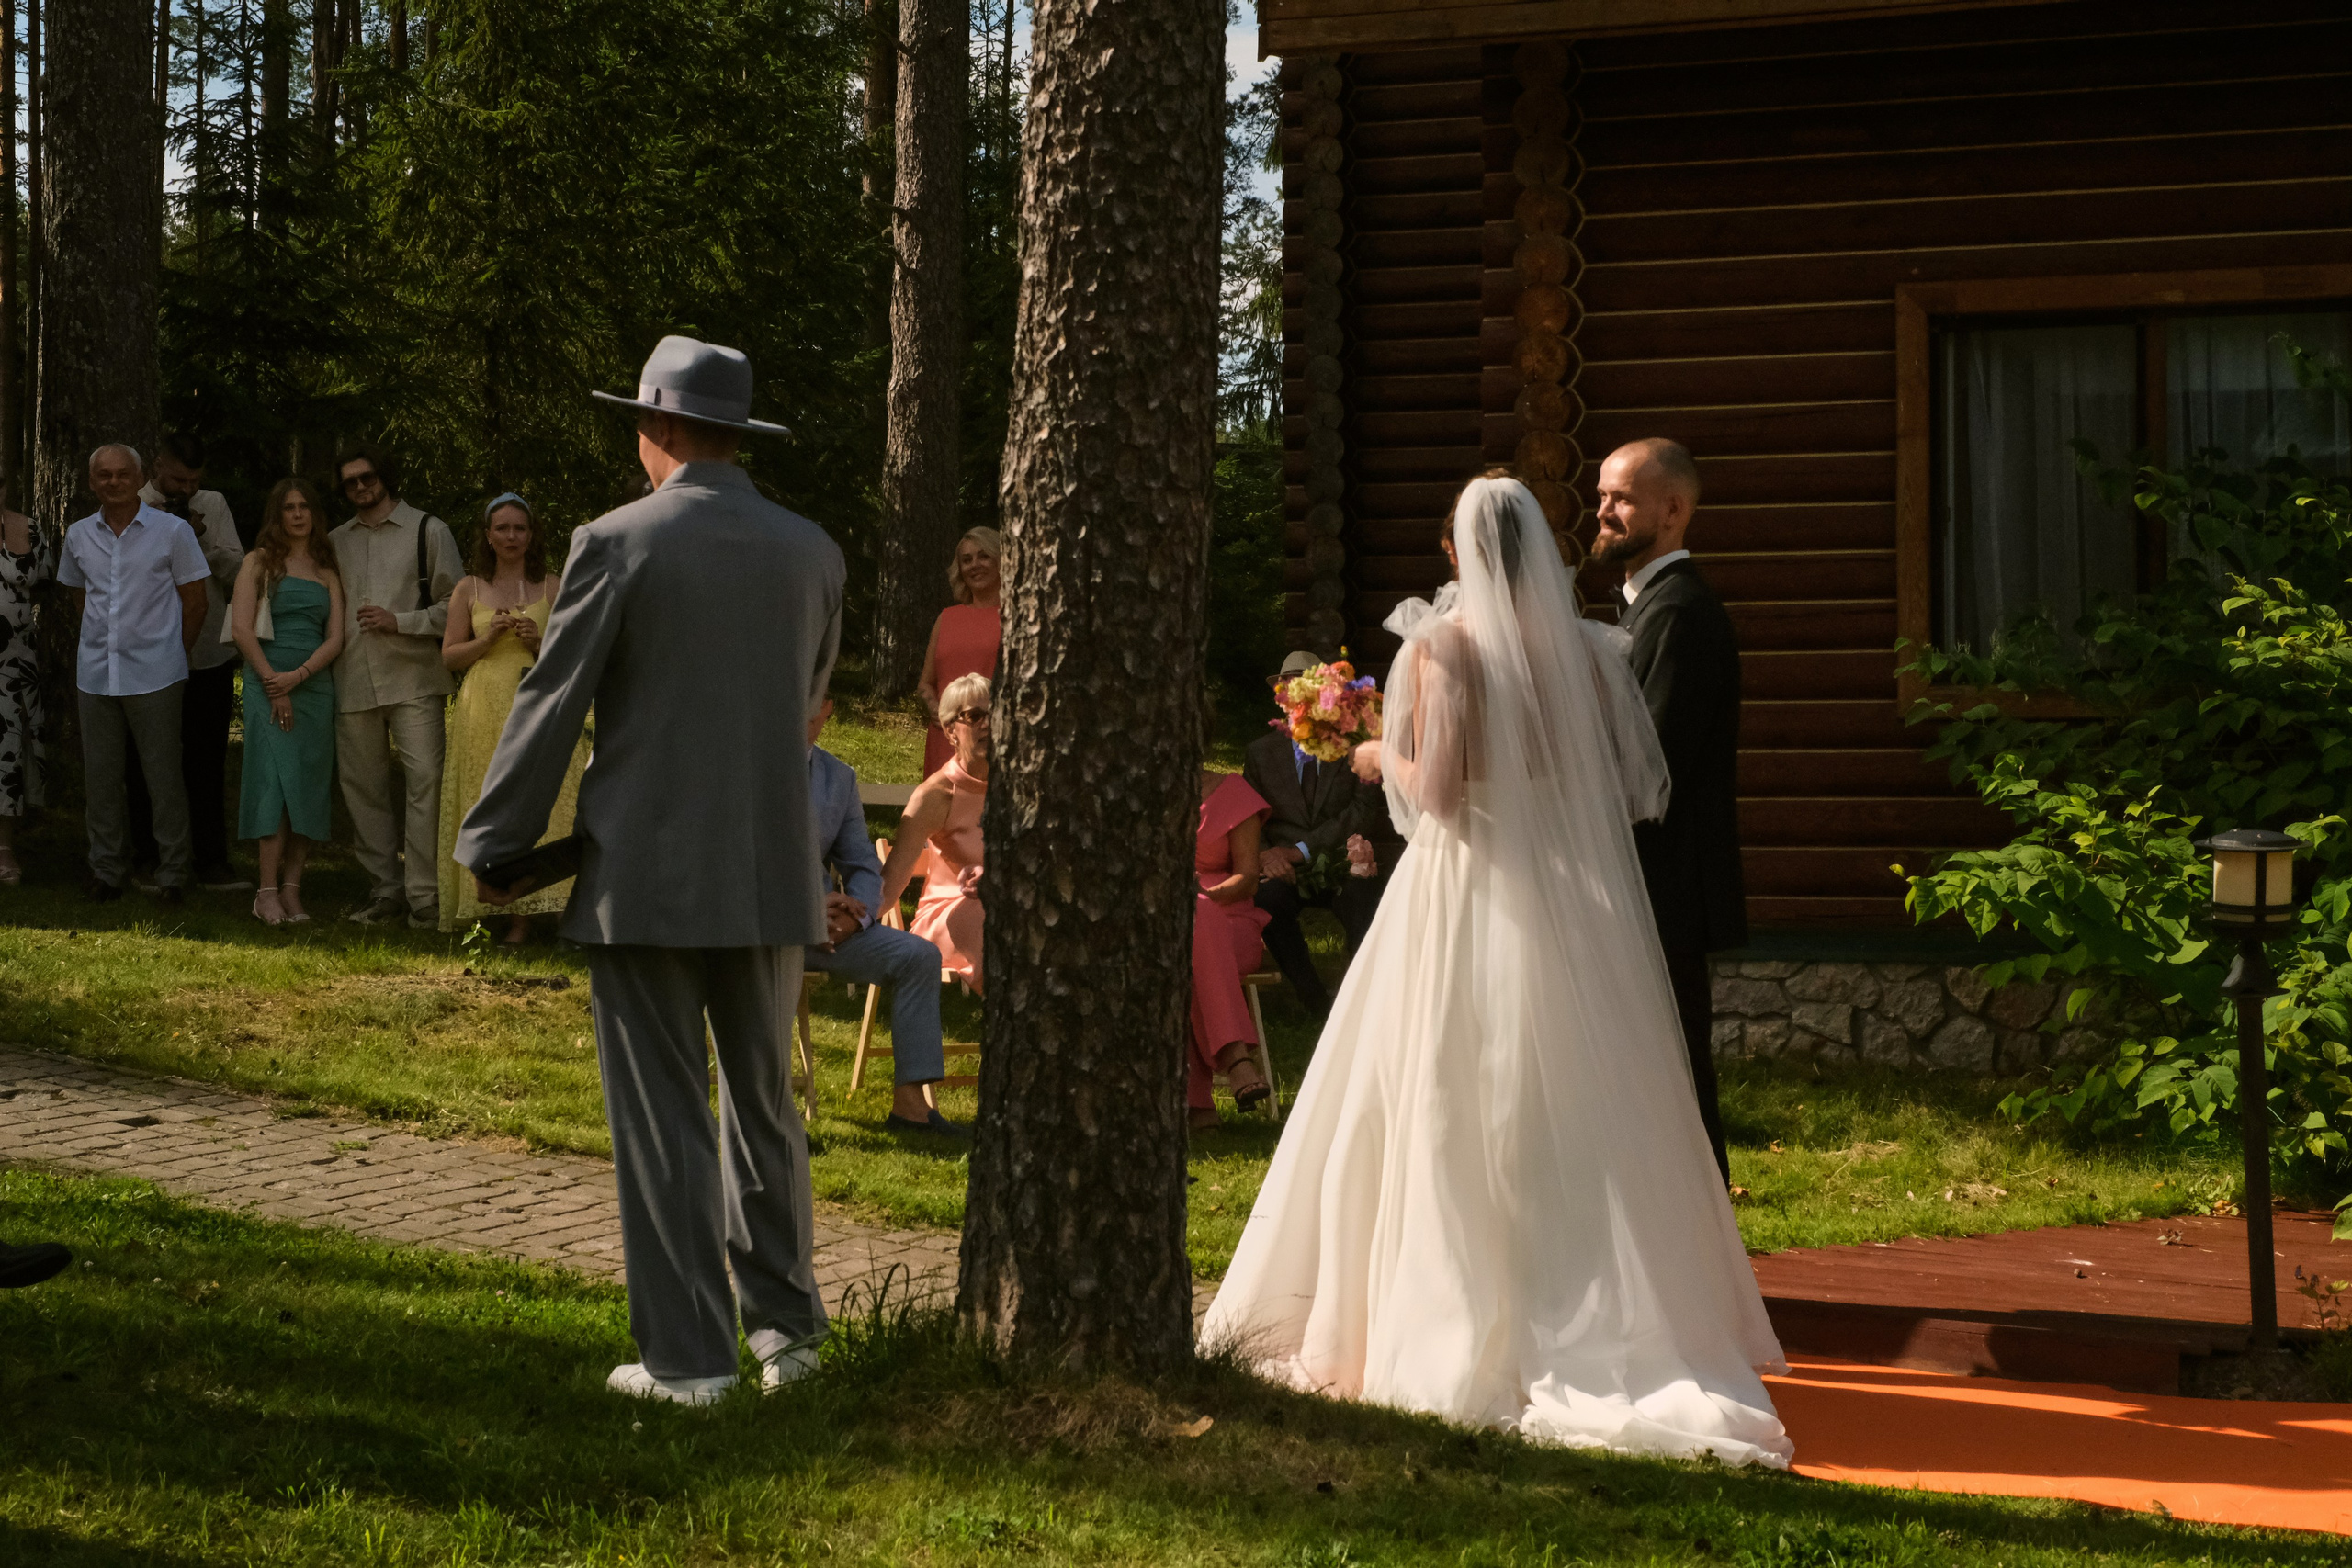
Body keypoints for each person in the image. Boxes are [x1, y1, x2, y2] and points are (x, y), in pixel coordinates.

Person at [1202, 474, 1791, 1467]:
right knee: (1568, 1096)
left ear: (1462, 552)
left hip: (1459, 889)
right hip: (1566, 905)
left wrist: (1373, 758)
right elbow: (1612, 786)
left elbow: (1432, 792)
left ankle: (1424, 1306)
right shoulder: (1593, 654)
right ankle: (1599, 1305)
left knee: (1432, 1088)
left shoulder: (1442, 648)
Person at [456, 335, 844, 1405]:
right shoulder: (813, 550)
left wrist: (495, 843)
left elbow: (553, 700)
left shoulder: (615, 542)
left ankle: (685, 1360)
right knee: (764, 1104)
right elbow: (808, 702)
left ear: (661, 430)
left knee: (665, 1113)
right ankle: (789, 1337)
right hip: (772, 868)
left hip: (645, 873)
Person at [1594, 437, 1745, 1184]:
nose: (1604, 511)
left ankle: (1708, 1259)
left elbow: (1648, 768)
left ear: (1673, 509)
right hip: (1643, 886)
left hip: (1665, 887)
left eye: (1621, 497)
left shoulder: (1680, 614)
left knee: (1678, 1077)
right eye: (1602, 497)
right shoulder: (1642, 609)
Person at [57, 445, 212, 904]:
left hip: (157, 673)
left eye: (122, 474)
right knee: (101, 779)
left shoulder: (173, 532)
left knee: (163, 778)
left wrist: (172, 652)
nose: (113, 482)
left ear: (139, 476)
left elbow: (196, 601)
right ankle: (106, 871)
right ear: (92, 482)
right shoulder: (79, 535)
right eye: (103, 476)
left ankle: (174, 875)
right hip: (97, 675)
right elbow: (80, 596)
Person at [804, 695, 965, 1137]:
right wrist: (805, 910)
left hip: (832, 930)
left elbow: (861, 865)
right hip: (761, 927)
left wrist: (856, 919)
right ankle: (767, 1109)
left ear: (829, 709)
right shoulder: (748, 768)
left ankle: (911, 1108)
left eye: (814, 701)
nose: (803, 709)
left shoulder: (838, 777)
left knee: (918, 956)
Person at [438, 492, 585, 942]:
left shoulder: (554, 586)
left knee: (555, 797)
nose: (511, 536)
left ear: (531, 534)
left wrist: (539, 641)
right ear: (488, 536)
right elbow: (449, 656)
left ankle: (562, 909)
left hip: (540, 703)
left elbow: (575, 652)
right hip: (485, 707)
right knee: (490, 799)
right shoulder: (469, 588)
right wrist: (487, 639)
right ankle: (512, 916)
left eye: (519, 528)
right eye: (502, 528)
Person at [329, 444, 463, 928]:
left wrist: (400, 620)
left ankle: (425, 896)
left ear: (384, 477)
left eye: (367, 478)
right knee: (363, 790)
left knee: (426, 783)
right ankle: (385, 892)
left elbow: (459, 606)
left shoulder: (429, 530)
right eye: (350, 482)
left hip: (414, 678)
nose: (361, 488)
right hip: (351, 680)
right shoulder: (334, 540)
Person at [128, 432, 249, 892]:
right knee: (146, 762)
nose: (185, 489)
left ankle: (211, 859)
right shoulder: (133, 500)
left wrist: (196, 538)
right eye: (178, 479)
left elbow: (238, 570)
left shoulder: (212, 505)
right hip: (149, 654)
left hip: (205, 656)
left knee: (206, 760)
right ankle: (148, 856)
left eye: (194, 480)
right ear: (158, 464)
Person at [1243, 649, 1395, 1015]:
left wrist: (1301, 850)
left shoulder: (1353, 744)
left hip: (1342, 859)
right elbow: (1249, 814)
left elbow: (1361, 810)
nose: (1295, 697)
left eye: (1304, 688)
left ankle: (1360, 1004)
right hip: (1282, 866)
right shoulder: (1261, 752)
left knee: (1364, 906)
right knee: (1267, 904)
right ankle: (1313, 998)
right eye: (1286, 688)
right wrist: (1264, 854)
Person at [231, 478, 346, 926]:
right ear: (276, 516)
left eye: (305, 507)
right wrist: (273, 682)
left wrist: (298, 678)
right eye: (288, 508)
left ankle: (293, 890)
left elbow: (336, 638)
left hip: (313, 685)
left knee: (307, 786)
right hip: (266, 679)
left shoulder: (327, 571)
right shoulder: (258, 562)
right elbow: (242, 629)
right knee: (273, 784)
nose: (298, 515)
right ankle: (265, 892)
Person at [879, 671, 988, 996]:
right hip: (948, 913)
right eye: (975, 716)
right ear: (950, 731)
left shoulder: (1022, 785)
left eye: (998, 713)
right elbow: (888, 887)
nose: (988, 724)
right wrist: (849, 924)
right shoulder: (935, 795)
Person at [1191, 762, 1275, 1129]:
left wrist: (1206, 894)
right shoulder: (1142, 793)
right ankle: (1236, 1062)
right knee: (1182, 944)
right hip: (1176, 929)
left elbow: (1248, 878)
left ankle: (1200, 1101)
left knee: (1195, 911)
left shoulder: (1232, 792)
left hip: (1233, 923)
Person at [916, 527, 1001, 777]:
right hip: (946, 737)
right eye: (967, 560)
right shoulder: (947, 618)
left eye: (983, 556)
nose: (975, 565)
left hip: (991, 739)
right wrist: (935, 708)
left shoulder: (1017, 618)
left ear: (1001, 561)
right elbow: (925, 683)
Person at [0, 492, 47, 886]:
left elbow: (46, 580)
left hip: (14, 660)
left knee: (9, 750)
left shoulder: (28, 526)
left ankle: (4, 850)